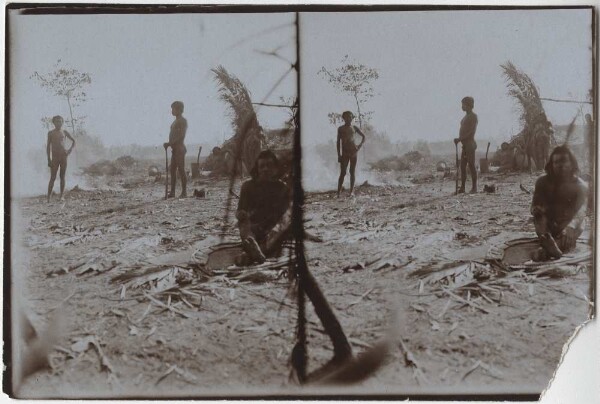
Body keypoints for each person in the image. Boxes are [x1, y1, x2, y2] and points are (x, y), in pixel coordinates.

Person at [531, 145, 588, 260]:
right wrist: (537, 209)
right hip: (548, 225)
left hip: (569, 225)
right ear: (551, 165)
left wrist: (570, 227)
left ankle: (550, 249)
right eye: (556, 162)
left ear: (572, 164)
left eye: (564, 161)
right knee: (539, 218)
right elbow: (534, 206)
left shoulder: (580, 186)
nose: (560, 166)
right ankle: (550, 245)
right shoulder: (542, 182)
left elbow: (581, 212)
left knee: (581, 224)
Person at [236, 150, 291, 264]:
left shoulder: (282, 188)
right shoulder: (247, 187)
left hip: (272, 228)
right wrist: (241, 214)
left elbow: (286, 216)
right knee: (244, 224)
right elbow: (240, 212)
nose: (265, 169)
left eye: (269, 166)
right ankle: (255, 248)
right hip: (253, 227)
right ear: (257, 169)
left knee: (282, 225)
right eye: (262, 166)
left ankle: (254, 253)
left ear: (276, 169)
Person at [336, 111, 366, 197]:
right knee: (343, 172)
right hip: (345, 153)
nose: (348, 119)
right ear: (343, 118)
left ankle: (351, 191)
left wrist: (359, 146)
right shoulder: (340, 129)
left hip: (353, 152)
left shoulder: (354, 128)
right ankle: (338, 192)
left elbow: (364, 136)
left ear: (352, 118)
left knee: (352, 172)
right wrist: (339, 155)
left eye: (350, 117)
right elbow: (338, 142)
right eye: (346, 117)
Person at [46, 115, 75, 203]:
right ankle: (48, 197)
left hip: (63, 156)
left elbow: (74, 141)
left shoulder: (64, 132)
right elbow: (48, 147)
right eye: (56, 121)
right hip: (54, 157)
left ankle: (61, 196)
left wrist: (69, 150)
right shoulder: (50, 133)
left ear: (62, 122)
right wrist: (49, 159)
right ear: (53, 123)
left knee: (62, 176)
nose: (58, 123)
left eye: (60, 121)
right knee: (53, 177)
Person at [453, 97, 478, 193]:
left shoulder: (473, 116)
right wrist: (459, 139)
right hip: (464, 145)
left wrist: (460, 139)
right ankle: (462, 187)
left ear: (469, 105)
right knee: (462, 166)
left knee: (471, 165)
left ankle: (474, 188)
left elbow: (472, 131)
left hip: (470, 144)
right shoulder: (465, 117)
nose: (462, 106)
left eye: (463, 104)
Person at [163, 101, 187, 198]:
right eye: (172, 108)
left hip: (180, 149)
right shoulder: (175, 121)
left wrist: (169, 143)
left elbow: (181, 136)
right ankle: (172, 192)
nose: (172, 110)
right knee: (172, 170)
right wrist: (169, 144)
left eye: (173, 108)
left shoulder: (182, 121)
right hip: (175, 149)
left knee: (181, 170)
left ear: (179, 110)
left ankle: (184, 192)